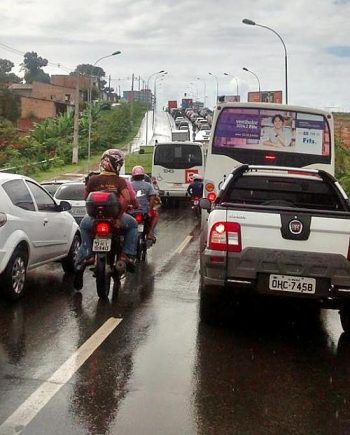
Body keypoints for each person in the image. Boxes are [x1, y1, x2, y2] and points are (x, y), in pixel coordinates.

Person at [74, 149, 138, 290]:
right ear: (117, 165)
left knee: (83, 227)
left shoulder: (93, 179)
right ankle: (126, 255)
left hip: (93, 219)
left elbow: (85, 197)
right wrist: (118, 217)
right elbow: (127, 199)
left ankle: (87, 254)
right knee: (133, 225)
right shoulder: (119, 181)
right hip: (114, 218)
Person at [130, 165, 159, 242]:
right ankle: (150, 233)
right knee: (156, 215)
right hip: (144, 211)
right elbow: (152, 198)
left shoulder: (129, 185)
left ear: (133, 176)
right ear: (143, 176)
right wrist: (149, 210)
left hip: (131, 211)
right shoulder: (148, 186)